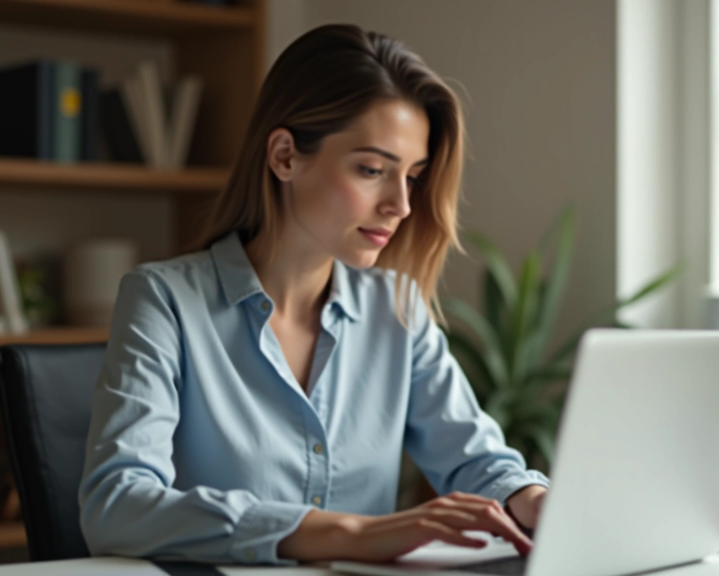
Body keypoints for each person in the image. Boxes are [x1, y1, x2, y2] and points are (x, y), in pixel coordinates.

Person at [78, 23, 549, 566]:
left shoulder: (397, 308)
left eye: (413, 177)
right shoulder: (162, 301)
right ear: (284, 156)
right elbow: (115, 505)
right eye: (372, 169)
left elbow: (475, 460)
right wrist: (341, 533)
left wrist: (534, 500)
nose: (401, 204)